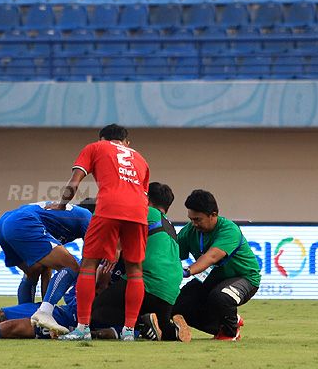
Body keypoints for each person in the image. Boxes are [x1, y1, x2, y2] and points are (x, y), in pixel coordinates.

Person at [51, 124, 150, 341]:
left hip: (109, 207)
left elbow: (74, 182)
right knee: (135, 270)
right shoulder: (140, 158)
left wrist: (61, 205)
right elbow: (141, 195)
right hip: (139, 212)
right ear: (126, 142)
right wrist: (118, 246)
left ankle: (83, 328)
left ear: (102, 139)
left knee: (89, 264)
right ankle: (129, 331)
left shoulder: (96, 147)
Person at [90, 182, 190, 342]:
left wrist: (115, 248)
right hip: (170, 291)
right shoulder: (170, 227)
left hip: (148, 282)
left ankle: (142, 323)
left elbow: (118, 220)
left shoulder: (147, 212)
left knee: (97, 310)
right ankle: (172, 330)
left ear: (146, 199)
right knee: (162, 331)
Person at [172, 189, 261, 341]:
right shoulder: (190, 230)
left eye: (198, 219)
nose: (193, 224)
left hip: (244, 278)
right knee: (178, 306)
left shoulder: (229, 229)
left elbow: (211, 257)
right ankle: (227, 323)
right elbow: (172, 255)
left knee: (221, 297)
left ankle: (230, 333)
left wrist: (187, 271)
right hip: (213, 279)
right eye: (191, 219)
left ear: (213, 215)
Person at [0, 201, 92, 334]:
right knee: (72, 267)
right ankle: (45, 312)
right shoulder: (88, 217)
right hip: (22, 222)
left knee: (34, 272)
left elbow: (47, 270)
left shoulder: (61, 217)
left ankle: (23, 318)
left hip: (4, 223)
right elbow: (90, 259)